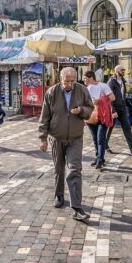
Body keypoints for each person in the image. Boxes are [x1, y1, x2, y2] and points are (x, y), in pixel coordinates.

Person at [39, 67, 93, 221]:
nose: (69, 84)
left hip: (75, 138)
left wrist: (81, 110)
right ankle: (59, 195)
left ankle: (77, 207)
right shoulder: (52, 92)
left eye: (72, 81)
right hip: (56, 137)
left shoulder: (82, 90)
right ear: (60, 79)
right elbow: (45, 116)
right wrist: (43, 138)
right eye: (66, 81)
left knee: (74, 169)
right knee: (59, 169)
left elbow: (90, 108)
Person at [106, 65, 132, 156]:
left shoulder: (123, 81)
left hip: (122, 108)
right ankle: (104, 145)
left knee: (127, 127)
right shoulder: (111, 82)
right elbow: (109, 97)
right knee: (109, 128)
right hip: (114, 108)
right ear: (116, 71)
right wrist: (112, 110)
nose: (123, 71)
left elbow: (123, 94)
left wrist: (124, 105)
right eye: (122, 70)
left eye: (124, 70)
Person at [84, 70, 114, 169]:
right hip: (92, 116)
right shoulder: (87, 88)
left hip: (103, 115)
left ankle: (100, 159)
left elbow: (112, 97)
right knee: (94, 139)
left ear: (90, 77)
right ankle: (98, 157)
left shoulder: (103, 86)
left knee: (100, 138)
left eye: (85, 78)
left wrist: (100, 100)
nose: (84, 80)